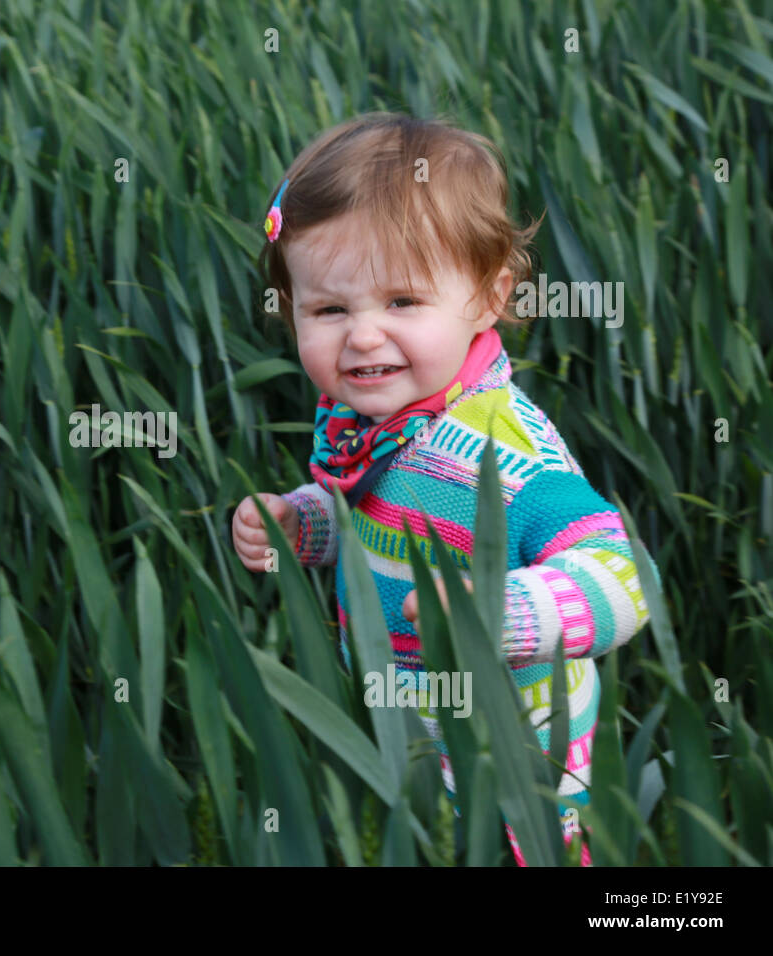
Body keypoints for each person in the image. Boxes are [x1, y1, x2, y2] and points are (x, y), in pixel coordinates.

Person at [232, 112, 660, 866]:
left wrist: (490, 612)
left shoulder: (502, 454)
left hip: (523, 757)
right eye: (329, 309)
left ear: (488, 297)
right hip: (410, 736)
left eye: (401, 302)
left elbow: (622, 580)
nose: (362, 336)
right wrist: (303, 524)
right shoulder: (376, 417)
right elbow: (369, 517)